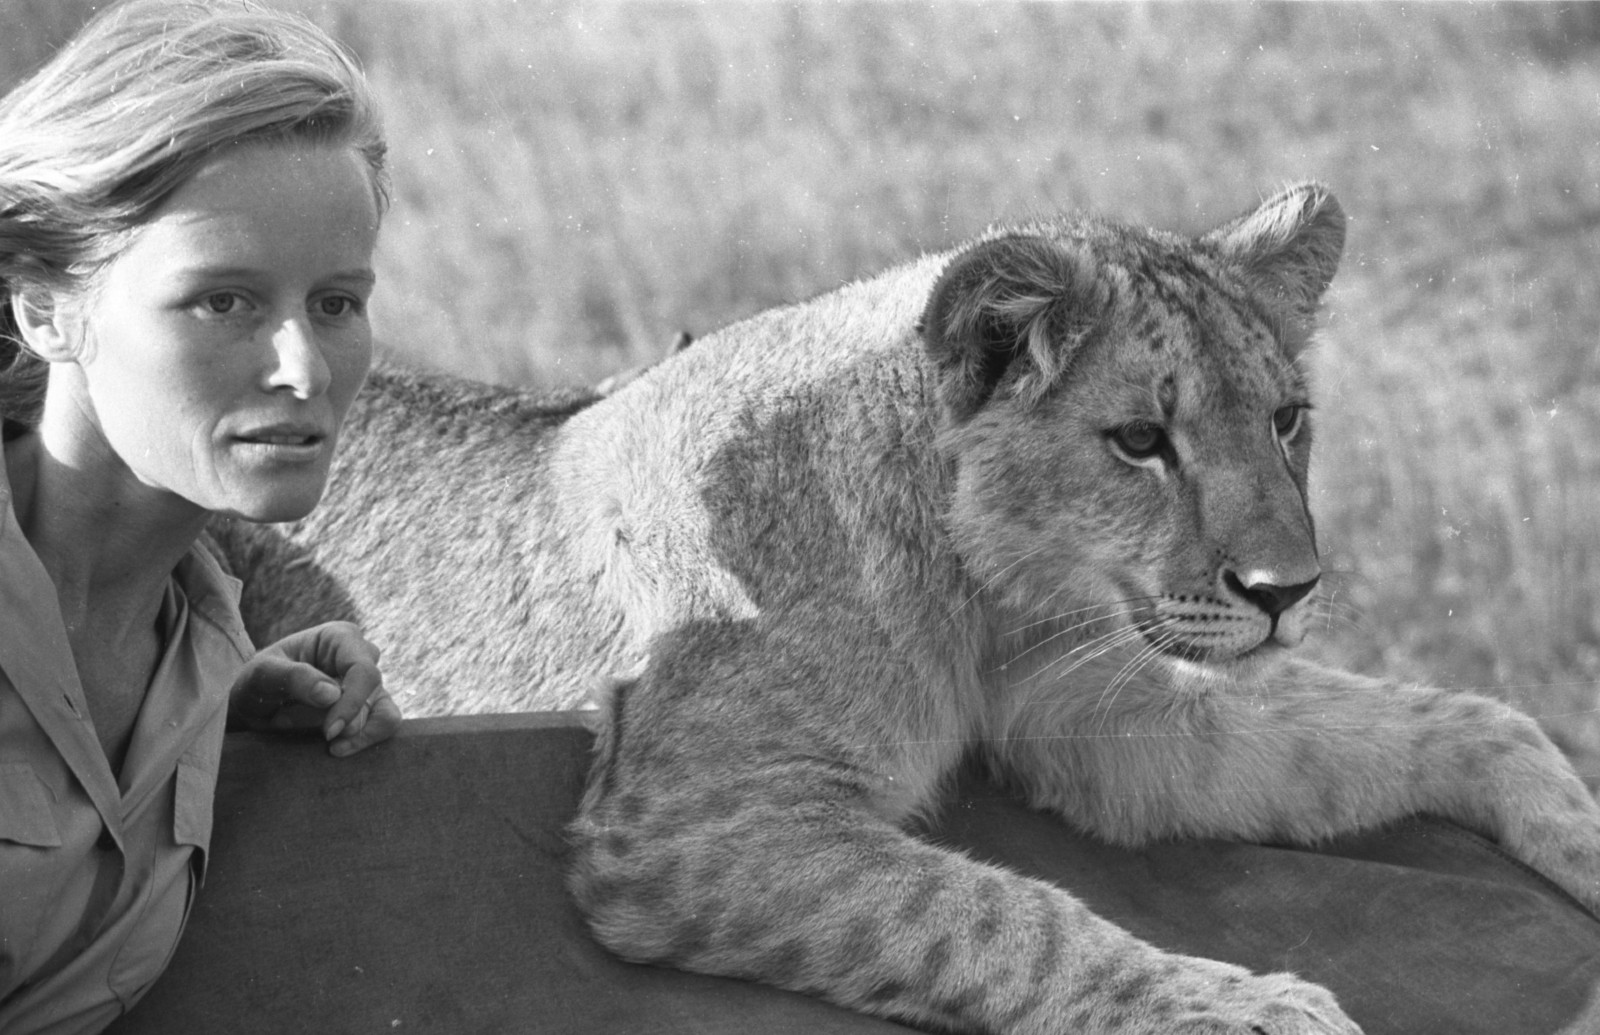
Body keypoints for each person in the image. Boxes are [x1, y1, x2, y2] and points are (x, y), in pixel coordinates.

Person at [0, 1, 402, 1031]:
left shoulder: (202, 650)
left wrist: (219, 700)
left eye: (336, 304)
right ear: (47, 309)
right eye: (222, 302)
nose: (302, 369)